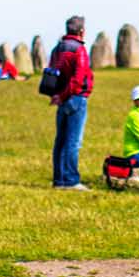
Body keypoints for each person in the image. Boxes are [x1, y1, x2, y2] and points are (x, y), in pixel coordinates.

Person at [44, 15, 94, 190]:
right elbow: (78, 79)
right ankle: (71, 180)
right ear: (81, 31)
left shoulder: (58, 49)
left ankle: (59, 180)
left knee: (60, 141)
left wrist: (57, 95)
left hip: (60, 99)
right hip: (76, 99)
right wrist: (65, 95)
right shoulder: (79, 50)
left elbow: (52, 74)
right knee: (73, 142)